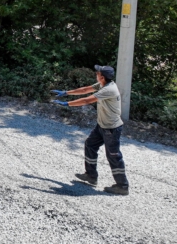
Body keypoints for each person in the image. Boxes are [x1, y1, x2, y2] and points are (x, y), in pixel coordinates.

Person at [51, 65, 129, 195]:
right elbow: (86, 90)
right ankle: (91, 176)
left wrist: (67, 104)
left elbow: (88, 100)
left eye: (97, 73)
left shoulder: (108, 89)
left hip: (111, 128)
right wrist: (66, 93)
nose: (96, 74)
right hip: (102, 125)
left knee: (113, 156)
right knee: (90, 145)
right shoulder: (103, 84)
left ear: (102, 77)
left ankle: (122, 186)